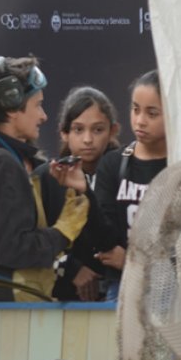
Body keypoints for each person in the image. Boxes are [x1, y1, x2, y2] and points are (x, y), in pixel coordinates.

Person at [0, 55, 90, 302]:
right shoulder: (2, 164)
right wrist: (63, 230)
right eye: (37, 105)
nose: (43, 116)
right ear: (13, 107)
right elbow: (12, 249)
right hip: (9, 303)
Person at [92, 70, 167, 303]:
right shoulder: (112, 164)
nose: (140, 121)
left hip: (171, 288)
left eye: (152, 113)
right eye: (135, 110)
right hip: (121, 285)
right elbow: (103, 234)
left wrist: (132, 261)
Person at [44, 86, 122, 301]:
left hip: (116, 290)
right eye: (78, 130)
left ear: (113, 130)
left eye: (98, 130)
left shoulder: (123, 173)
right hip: (61, 296)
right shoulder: (48, 177)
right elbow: (30, 239)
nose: (88, 139)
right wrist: (69, 268)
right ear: (64, 132)